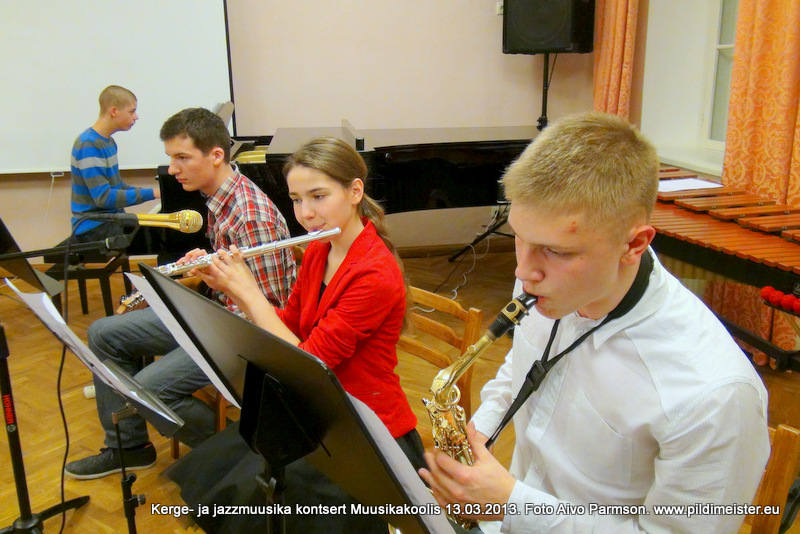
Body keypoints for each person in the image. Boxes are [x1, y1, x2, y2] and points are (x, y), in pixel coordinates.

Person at [418, 112, 771, 534]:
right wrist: (480, 433)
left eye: (557, 251)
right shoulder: (542, 281)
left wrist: (514, 505)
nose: (524, 270)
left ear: (634, 244)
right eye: (519, 237)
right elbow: (519, 366)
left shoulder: (713, 395)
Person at [164, 136, 424, 533]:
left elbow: (310, 361)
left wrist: (250, 291)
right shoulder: (321, 248)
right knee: (227, 482)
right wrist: (229, 285)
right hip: (315, 407)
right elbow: (292, 326)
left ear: (355, 191)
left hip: (362, 427)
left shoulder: (374, 273)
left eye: (318, 197)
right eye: (297, 200)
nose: (306, 214)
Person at [64, 108, 296, 479]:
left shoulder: (250, 215)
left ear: (216, 155)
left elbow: (269, 309)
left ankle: (242, 457)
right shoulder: (220, 198)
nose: (173, 169)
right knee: (104, 333)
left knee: (149, 389)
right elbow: (239, 277)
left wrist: (202, 309)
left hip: (243, 335)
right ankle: (129, 448)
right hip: (217, 314)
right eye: (171, 158)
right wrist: (209, 268)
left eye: (182, 158)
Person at [70, 85, 160, 242]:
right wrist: (153, 193)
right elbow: (104, 198)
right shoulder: (89, 145)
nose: (136, 117)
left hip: (110, 220)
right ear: (114, 111)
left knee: (160, 230)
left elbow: (117, 187)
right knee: (157, 237)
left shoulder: (108, 142)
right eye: (132, 111)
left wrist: (156, 192)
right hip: (94, 226)